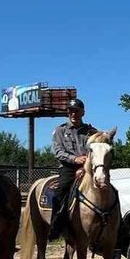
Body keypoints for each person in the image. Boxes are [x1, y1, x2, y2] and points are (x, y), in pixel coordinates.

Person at [49, 98, 97, 241]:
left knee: (107, 188)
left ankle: (114, 227)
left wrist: (85, 164)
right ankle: (55, 226)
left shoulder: (90, 131)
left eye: (76, 111)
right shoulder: (60, 130)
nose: (73, 114)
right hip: (68, 168)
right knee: (61, 190)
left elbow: (97, 148)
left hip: (88, 167)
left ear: (83, 112)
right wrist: (74, 159)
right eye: (70, 111)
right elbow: (58, 151)